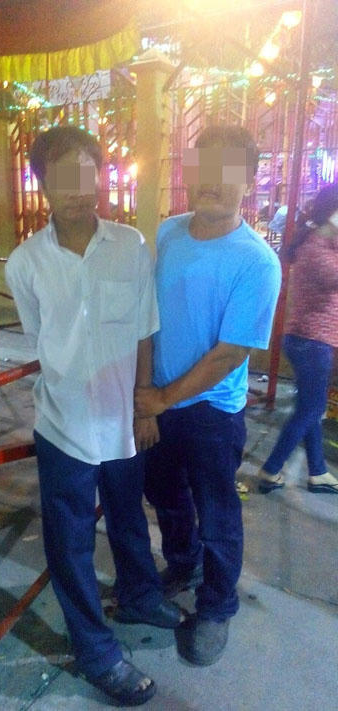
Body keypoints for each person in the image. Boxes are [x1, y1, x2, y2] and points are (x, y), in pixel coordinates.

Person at [5, 126, 182, 707]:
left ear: (101, 178)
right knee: (71, 543)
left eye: (86, 174)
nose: (77, 190)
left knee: (129, 517)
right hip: (64, 426)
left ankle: (140, 596)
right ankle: (96, 652)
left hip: (123, 420)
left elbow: (145, 327)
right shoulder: (26, 263)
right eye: (62, 177)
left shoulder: (131, 245)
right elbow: (41, 337)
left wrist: (144, 401)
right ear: (42, 185)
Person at [134, 125, 282, 667]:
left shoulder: (256, 261)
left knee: (218, 513)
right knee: (164, 495)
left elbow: (230, 354)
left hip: (212, 412)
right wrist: (146, 396)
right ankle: (184, 562)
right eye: (202, 168)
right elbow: (147, 319)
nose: (211, 182)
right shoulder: (169, 232)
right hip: (160, 402)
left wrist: (161, 399)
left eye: (226, 171)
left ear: (250, 180)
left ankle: (217, 606)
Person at [257, 183, 338, 495]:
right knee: (310, 410)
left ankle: (317, 471)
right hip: (311, 342)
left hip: (308, 340)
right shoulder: (318, 250)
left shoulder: (322, 245)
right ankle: (271, 469)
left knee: (309, 408)